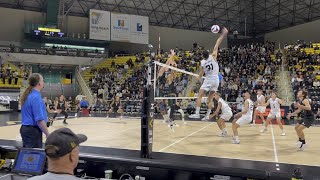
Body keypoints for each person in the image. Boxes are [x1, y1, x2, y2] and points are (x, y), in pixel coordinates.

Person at [189, 27, 228, 121]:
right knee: (210, 99)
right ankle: (207, 116)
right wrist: (223, 34)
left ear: (203, 56)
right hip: (216, 80)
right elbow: (217, 43)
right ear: (208, 53)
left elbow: (201, 73)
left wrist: (198, 78)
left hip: (209, 79)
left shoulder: (202, 62)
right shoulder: (214, 56)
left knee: (199, 95)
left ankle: (197, 114)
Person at [20, 73, 49, 148]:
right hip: (32, 131)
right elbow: (39, 120)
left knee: (28, 155)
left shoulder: (29, 95)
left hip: (26, 129)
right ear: (39, 83)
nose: (43, 82)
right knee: (33, 157)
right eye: (42, 81)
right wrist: (47, 133)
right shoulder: (36, 97)